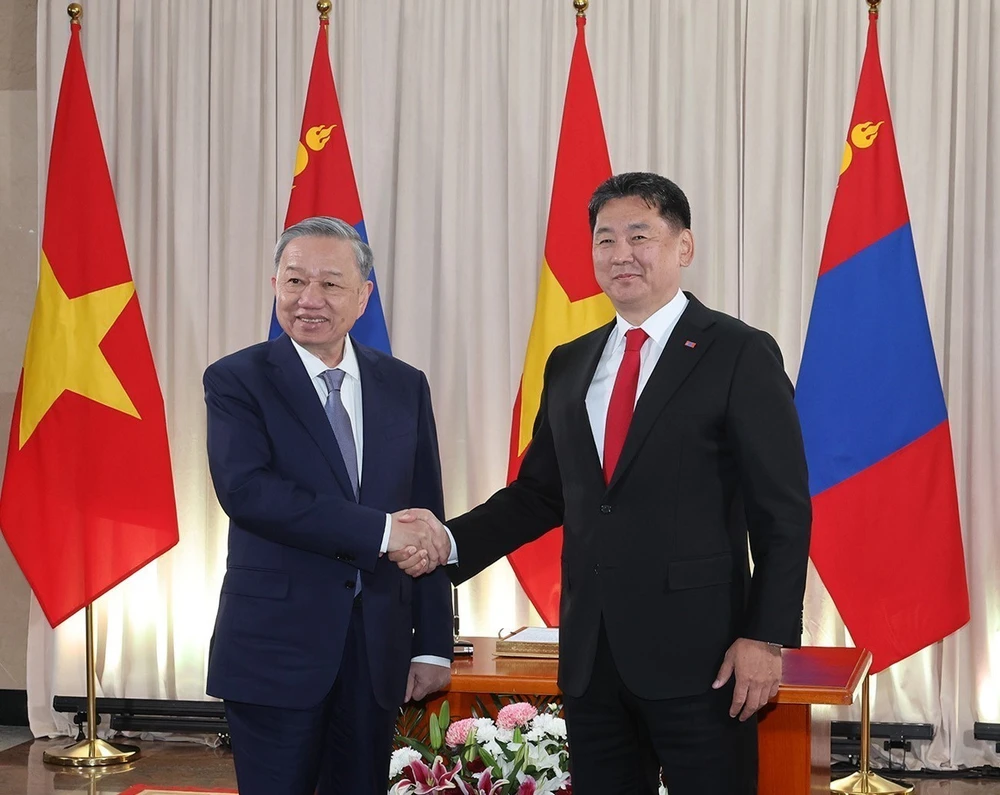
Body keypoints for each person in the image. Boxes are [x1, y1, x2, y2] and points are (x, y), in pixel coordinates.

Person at [394, 173, 812, 794]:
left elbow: (782, 511)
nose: (621, 254)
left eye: (639, 236)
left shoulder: (739, 353)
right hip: (592, 658)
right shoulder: (570, 362)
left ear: (684, 247)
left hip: (706, 658)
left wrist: (765, 636)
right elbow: (540, 494)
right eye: (605, 239)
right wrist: (447, 545)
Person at [204, 216, 453, 795]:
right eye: (294, 281)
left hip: (377, 654)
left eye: (330, 284)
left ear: (364, 296)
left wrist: (433, 641)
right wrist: (382, 534)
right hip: (274, 650)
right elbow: (250, 493)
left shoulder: (403, 384)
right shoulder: (238, 379)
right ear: (275, 286)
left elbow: (427, 515)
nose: (308, 299)